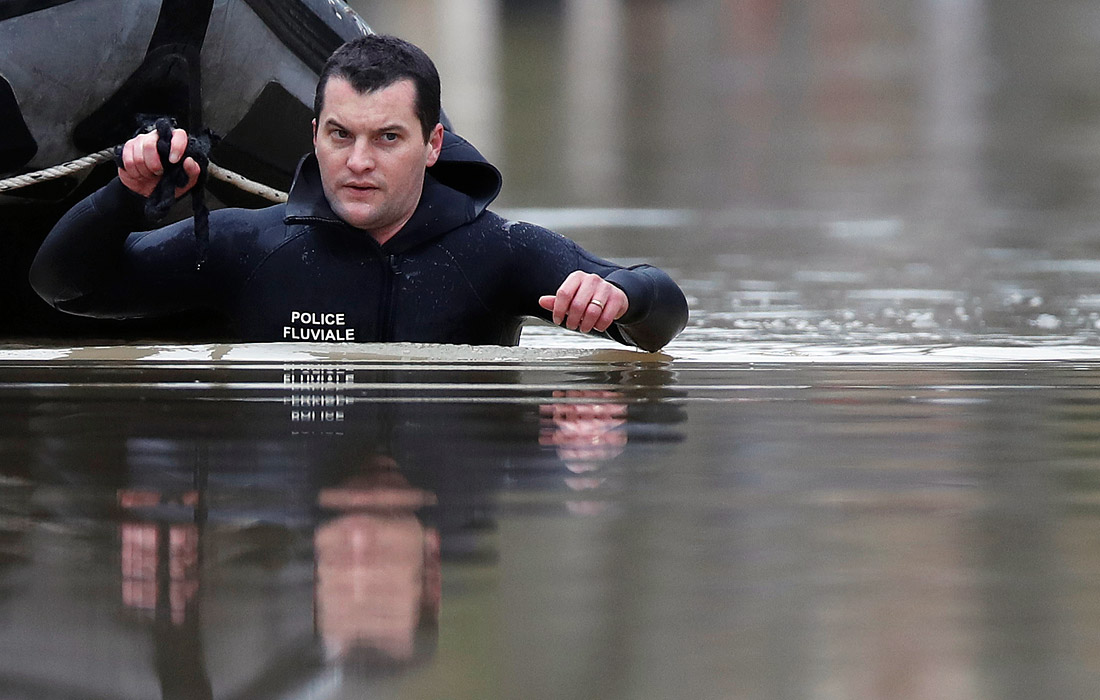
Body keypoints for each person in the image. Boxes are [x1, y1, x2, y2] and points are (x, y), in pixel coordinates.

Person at [30, 35, 688, 352]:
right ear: (314, 133)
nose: (359, 163)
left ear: (432, 145)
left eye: (388, 139)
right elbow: (68, 287)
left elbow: (662, 315)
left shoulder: (500, 252)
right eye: (341, 135)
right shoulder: (246, 246)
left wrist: (619, 298)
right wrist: (124, 190)